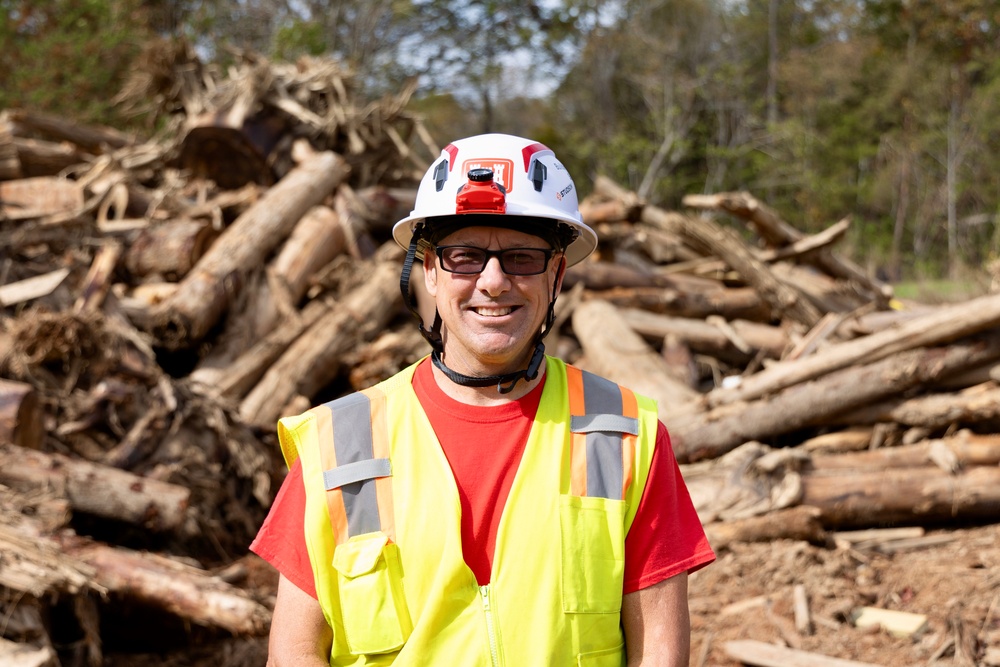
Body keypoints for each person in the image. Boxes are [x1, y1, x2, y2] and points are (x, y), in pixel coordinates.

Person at [251, 133, 715, 666]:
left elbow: (658, 653)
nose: (493, 283)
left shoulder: (624, 433)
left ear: (557, 275)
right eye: (465, 257)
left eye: (521, 258)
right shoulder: (339, 443)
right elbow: (295, 655)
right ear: (429, 270)